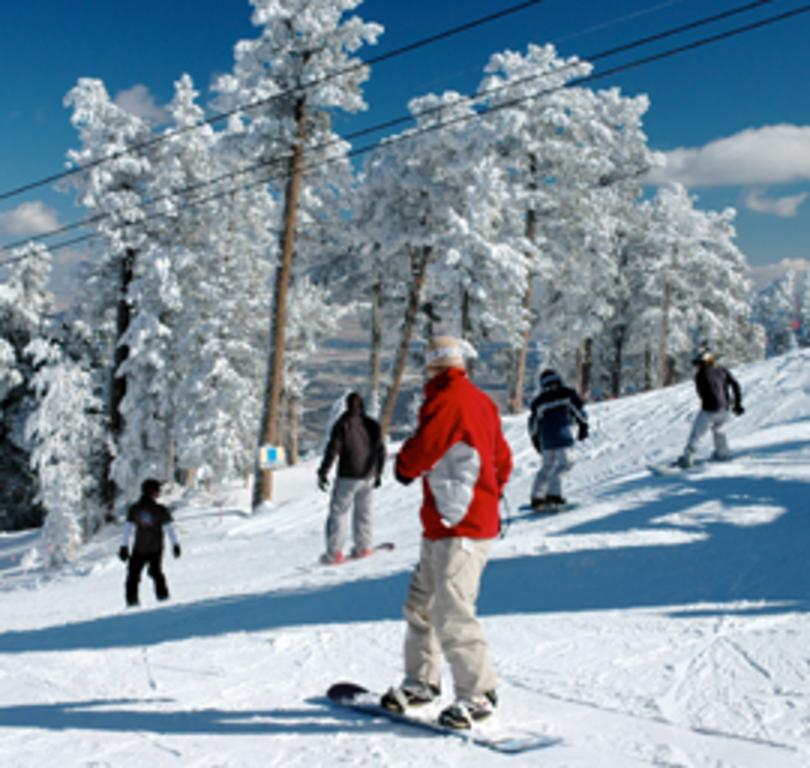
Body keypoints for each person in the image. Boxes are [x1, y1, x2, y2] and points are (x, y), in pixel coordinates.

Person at [381, 336, 512, 730]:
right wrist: (488, 493)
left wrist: (404, 467)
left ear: (434, 367)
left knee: (452, 611)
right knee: (421, 605)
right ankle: (422, 682)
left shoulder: (447, 399)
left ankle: (479, 695)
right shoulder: (480, 400)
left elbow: (424, 448)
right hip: (448, 521)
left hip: (461, 527)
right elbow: (502, 460)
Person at [317, 392, 386, 564]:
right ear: (362, 406)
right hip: (368, 476)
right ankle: (363, 547)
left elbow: (332, 450)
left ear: (347, 406)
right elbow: (381, 451)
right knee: (364, 513)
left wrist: (323, 472)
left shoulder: (343, 424)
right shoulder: (372, 424)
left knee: (339, 513)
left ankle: (334, 553)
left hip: (348, 476)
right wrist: (378, 473)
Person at [527, 368, 588, 509]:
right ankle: (554, 495)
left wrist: (535, 439)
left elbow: (533, 423)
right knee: (565, 464)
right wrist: (583, 426)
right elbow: (578, 410)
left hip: (546, 440)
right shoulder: (566, 394)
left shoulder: (539, 401)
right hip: (563, 436)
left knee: (547, 467)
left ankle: (537, 496)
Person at [118, 478, 181, 607]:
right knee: (156, 572)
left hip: (139, 549)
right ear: (152, 492)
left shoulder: (134, 509)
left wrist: (124, 546)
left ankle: (132, 602)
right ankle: (163, 598)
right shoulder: (160, 510)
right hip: (155, 548)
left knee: (133, 576)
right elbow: (169, 528)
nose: (159, 493)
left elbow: (127, 529)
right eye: (158, 490)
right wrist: (175, 544)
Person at [678, 348, 744, 467]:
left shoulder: (700, 375)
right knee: (719, 430)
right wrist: (737, 403)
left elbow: (701, 394)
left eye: (698, 363)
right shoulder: (722, 370)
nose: (697, 366)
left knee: (696, 434)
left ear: (704, 362)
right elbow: (735, 384)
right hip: (724, 409)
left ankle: (688, 459)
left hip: (709, 410)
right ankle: (722, 454)